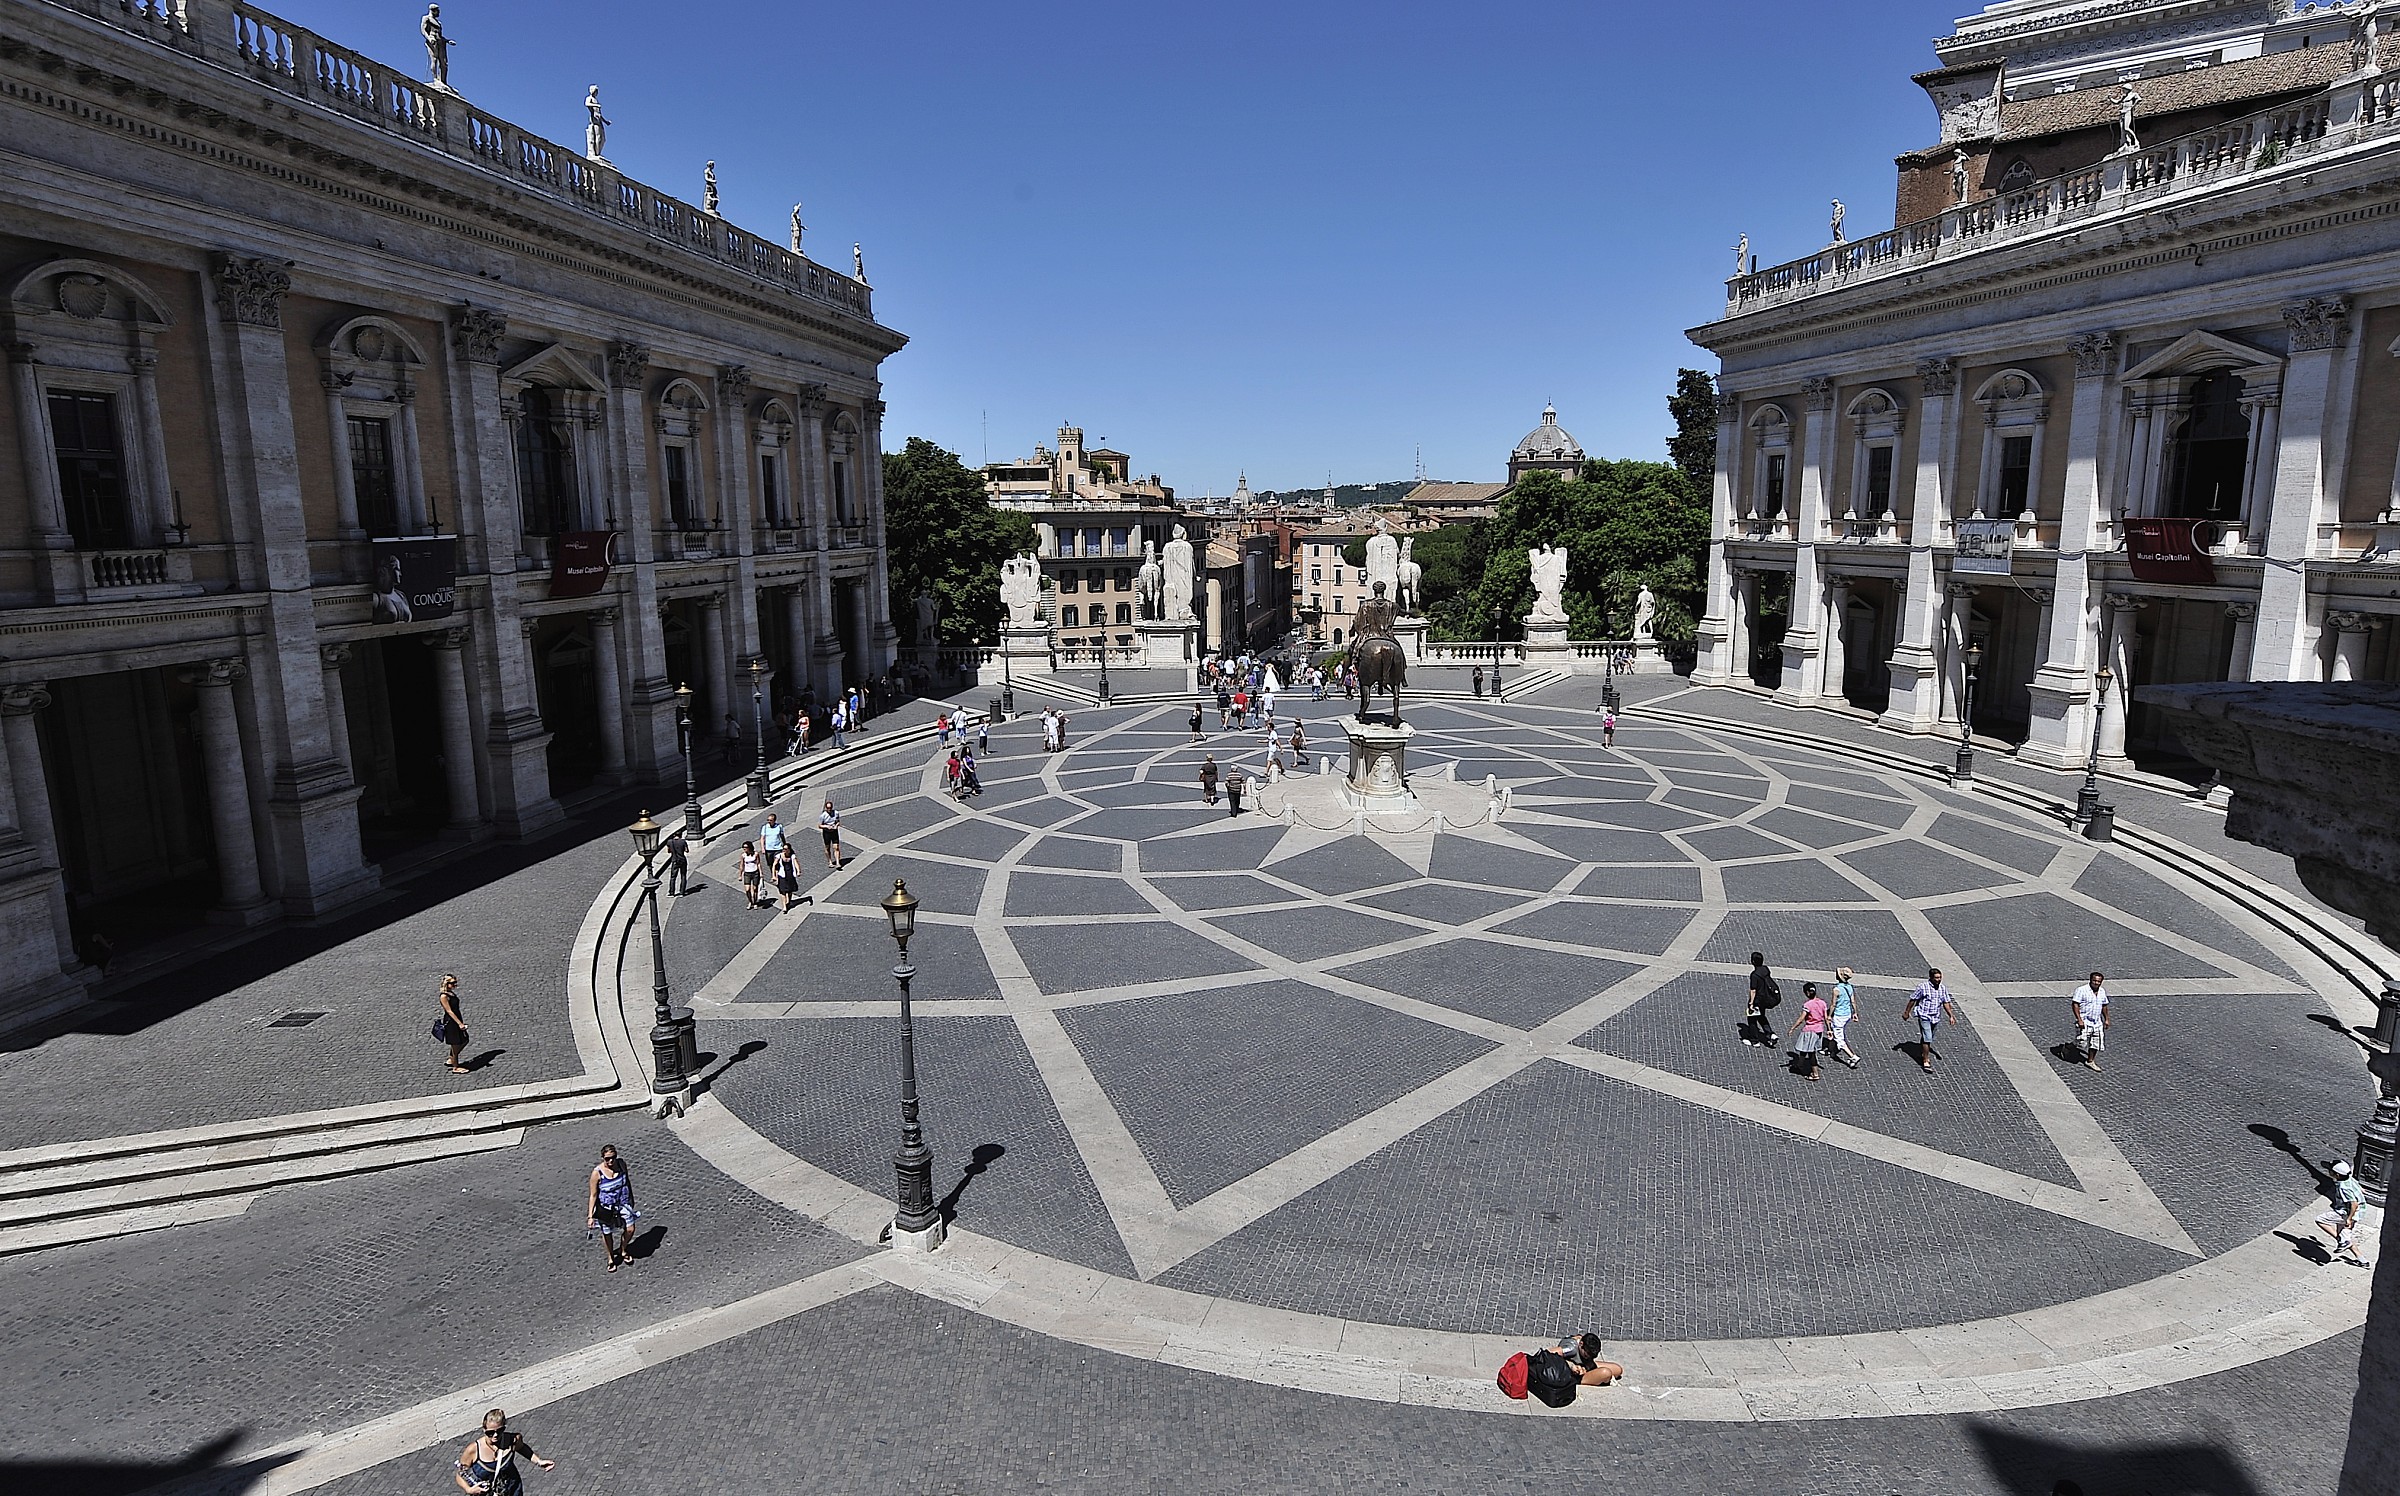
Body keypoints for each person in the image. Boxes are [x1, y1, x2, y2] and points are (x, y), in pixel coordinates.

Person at [455, 1409, 555, 1494]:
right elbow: (460, 1475)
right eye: (490, 1433)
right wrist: (469, 1489)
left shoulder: (512, 1440)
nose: (495, 1435)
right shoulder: (473, 1449)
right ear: (484, 1429)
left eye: (499, 1431)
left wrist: (538, 1461)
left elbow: (522, 1448)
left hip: (512, 1490)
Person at [587, 1144, 639, 1272]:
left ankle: (623, 1249)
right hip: (606, 1208)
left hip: (623, 1204)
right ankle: (610, 1257)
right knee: (607, 1233)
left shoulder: (621, 1165)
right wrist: (590, 1216)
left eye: (613, 1157)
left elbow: (627, 1182)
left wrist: (631, 1198)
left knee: (630, 1229)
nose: (611, 1161)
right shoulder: (597, 1173)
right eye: (607, 1159)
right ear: (602, 1158)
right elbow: (593, 1195)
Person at [1904, 968, 1960, 1074]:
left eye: (1940, 977)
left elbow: (1946, 1002)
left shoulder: (1942, 988)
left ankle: (1922, 1052)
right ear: (1931, 978)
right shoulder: (1923, 987)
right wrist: (1907, 1012)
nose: (1939, 980)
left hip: (1935, 1017)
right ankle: (1925, 1060)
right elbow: (1913, 999)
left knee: (1928, 1037)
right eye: (1936, 978)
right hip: (1924, 1015)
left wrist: (1951, 1016)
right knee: (1927, 1038)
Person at [2318, 1160, 2369, 1266]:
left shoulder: (2343, 1187)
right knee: (2346, 1237)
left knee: (2320, 1220)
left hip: (2347, 1213)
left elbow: (2353, 1204)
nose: (2328, 1171)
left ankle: (2342, 1241)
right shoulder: (2349, 1178)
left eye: (2330, 1170)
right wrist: (2360, 1190)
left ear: (2337, 1174)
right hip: (2360, 1211)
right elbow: (2357, 1186)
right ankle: (2362, 1260)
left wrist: (2349, 1219)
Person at [1551, 1331, 1624, 1387]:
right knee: (1606, 1373)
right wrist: (1571, 1366)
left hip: (1583, 1365)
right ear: (1581, 1344)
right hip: (1572, 1375)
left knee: (1618, 1370)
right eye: (1586, 1355)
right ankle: (1584, 1380)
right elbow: (1549, 1354)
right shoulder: (1571, 1349)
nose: (1589, 1357)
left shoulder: (1582, 1341)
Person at [2070, 971, 2110, 1072]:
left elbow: (2104, 1005)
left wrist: (2106, 1019)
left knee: (2096, 1043)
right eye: (2094, 981)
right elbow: (2075, 1004)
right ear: (2090, 980)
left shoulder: (2102, 991)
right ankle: (2069, 1047)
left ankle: (2090, 1061)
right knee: (2081, 1042)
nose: (2096, 983)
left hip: (2097, 1022)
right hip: (2084, 1021)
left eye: (2098, 981)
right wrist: (2079, 1019)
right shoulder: (2081, 990)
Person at [1790, 981, 1828, 1081]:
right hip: (1819, 1030)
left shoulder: (1808, 1005)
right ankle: (1799, 1065)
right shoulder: (1822, 1003)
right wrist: (1829, 1030)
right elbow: (1826, 1018)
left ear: (1807, 993)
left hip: (1810, 1031)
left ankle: (1815, 1074)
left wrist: (1793, 1028)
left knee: (1811, 1053)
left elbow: (1801, 1018)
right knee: (1804, 1049)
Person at [1744, 951, 1781, 1048]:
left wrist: (1751, 1003)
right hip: (1766, 999)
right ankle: (1770, 1034)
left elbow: (1753, 990)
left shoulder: (1754, 975)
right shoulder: (1765, 969)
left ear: (1752, 961)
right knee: (1761, 1017)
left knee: (1752, 1019)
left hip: (1758, 1000)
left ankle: (1754, 1040)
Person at [434, 972, 469, 1074]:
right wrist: (459, 1023)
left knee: (465, 1040)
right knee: (455, 1044)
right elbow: (449, 1011)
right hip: (452, 1022)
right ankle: (455, 1067)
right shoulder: (444, 996)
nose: (455, 985)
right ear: (446, 983)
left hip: (457, 1018)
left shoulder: (450, 993)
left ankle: (451, 1059)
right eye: (453, 983)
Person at [1828, 966, 1861, 1068]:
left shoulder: (1836, 989)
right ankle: (1832, 1051)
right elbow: (1853, 1001)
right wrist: (1855, 1013)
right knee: (1838, 1032)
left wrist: (1829, 1016)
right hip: (1847, 1014)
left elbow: (1833, 1004)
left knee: (1840, 1039)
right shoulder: (1850, 987)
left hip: (1839, 1016)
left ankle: (1852, 1056)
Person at [663, 828, 688, 897]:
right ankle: (682, 892)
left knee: (673, 877)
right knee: (683, 876)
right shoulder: (683, 841)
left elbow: (669, 851)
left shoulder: (670, 842)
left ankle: (671, 892)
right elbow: (686, 850)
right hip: (682, 860)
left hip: (674, 860)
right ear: (681, 835)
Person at [818, 799, 843, 868]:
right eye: (828, 808)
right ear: (826, 808)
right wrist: (826, 826)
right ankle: (830, 861)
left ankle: (838, 862)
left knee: (836, 847)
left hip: (834, 832)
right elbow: (819, 825)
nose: (829, 809)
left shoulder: (836, 813)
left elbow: (838, 821)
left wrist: (836, 825)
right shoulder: (823, 816)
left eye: (830, 808)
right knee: (827, 847)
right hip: (827, 833)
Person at [738, 840, 762, 909]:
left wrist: (761, 873)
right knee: (747, 889)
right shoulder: (743, 855)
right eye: (743, 847)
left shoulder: (756, 854)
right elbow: (741, 865)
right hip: (747, 873)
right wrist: (740, 875)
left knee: (755, 888)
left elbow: (758, 863)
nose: (744, 849)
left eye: (745, 847)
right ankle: (750, 901)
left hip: (755, 872)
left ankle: (755, 902)